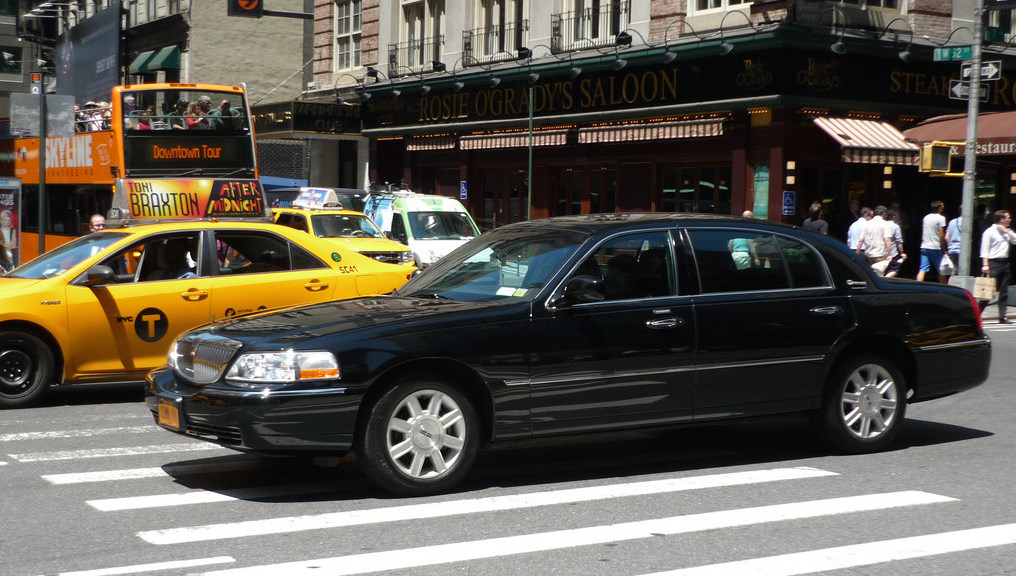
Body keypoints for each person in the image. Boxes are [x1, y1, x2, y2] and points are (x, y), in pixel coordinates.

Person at [979, 210, 1016, 323]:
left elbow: (1015, 241)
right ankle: (977, 313)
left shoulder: (1007, 231)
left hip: (1005, 263)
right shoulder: (989, 232)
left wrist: (1006, 231)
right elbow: (984, 249)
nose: (1010, 220)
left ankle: (1002, 316)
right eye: (1008, 218)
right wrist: (985, 264)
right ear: (1002, 220)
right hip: (993, 263)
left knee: (1004, 291)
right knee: (988, 291)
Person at [917, 200, 947, 283]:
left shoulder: (926, 218)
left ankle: (918, 286)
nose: (943, 208)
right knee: (941, 270)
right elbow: (941, 234)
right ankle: (945, 288)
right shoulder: (941, 218)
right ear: (939, 208)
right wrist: (944, 248)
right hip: (936, 247)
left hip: (925, 246)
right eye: (942, 206)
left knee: (922, 269)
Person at [857, 205, 892, 275]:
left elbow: (861, 240)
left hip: (869, 255)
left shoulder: (867, 224)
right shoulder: (885, 224)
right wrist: (890, 254)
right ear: (884, 214)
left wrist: (857, 253)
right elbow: (887, 240)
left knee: (870, 275)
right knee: (879, 275)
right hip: (880, 254)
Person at [885, 209, 907, 278]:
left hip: (882, 253)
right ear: (894, 217)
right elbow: (899, 241)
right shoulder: (895, 226)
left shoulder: (882, 225)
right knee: (894, 270)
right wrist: (902, 252)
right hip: (893, 253)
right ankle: (884, 280)